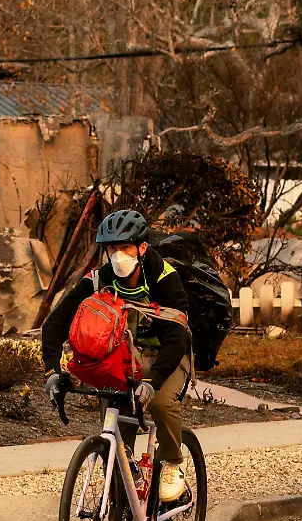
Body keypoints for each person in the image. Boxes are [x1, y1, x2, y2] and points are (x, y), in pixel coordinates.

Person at [41, 209, 191, 505]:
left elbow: (176, 340)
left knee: (160, 402)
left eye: (125, 247)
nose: (118, 255)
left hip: (167, 357)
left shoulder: (164, 278)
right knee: (117, 442)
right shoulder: (98, 280)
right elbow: (55, 323)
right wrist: (51, 371)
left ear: (142, 248)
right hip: (123, 359)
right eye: (111, 249)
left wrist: (152, 381)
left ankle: (174, 462)